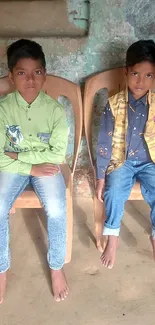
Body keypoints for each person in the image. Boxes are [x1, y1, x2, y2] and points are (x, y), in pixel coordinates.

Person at [0, 39, 69, 303]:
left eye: (36, 72)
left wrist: (20, 156)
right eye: (21, 73)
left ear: (45, 74)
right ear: (11, 76)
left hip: (44, 165)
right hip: (16, 167)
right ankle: (1, 270)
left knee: (56, 207)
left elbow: (57, 154)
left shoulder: (54, 111)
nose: (30, 80)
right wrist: (30, 165)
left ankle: (56, 266)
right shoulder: (3, 110)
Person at [96, 40, 155, 269]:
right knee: (113, 192)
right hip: (122, 161)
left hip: (150, 162)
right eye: (136, 74)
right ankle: (112, 237)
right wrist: (101, 177)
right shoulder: (114, 104)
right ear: (126, 72)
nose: (141, 81)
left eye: (149, 75)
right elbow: (103, 142)